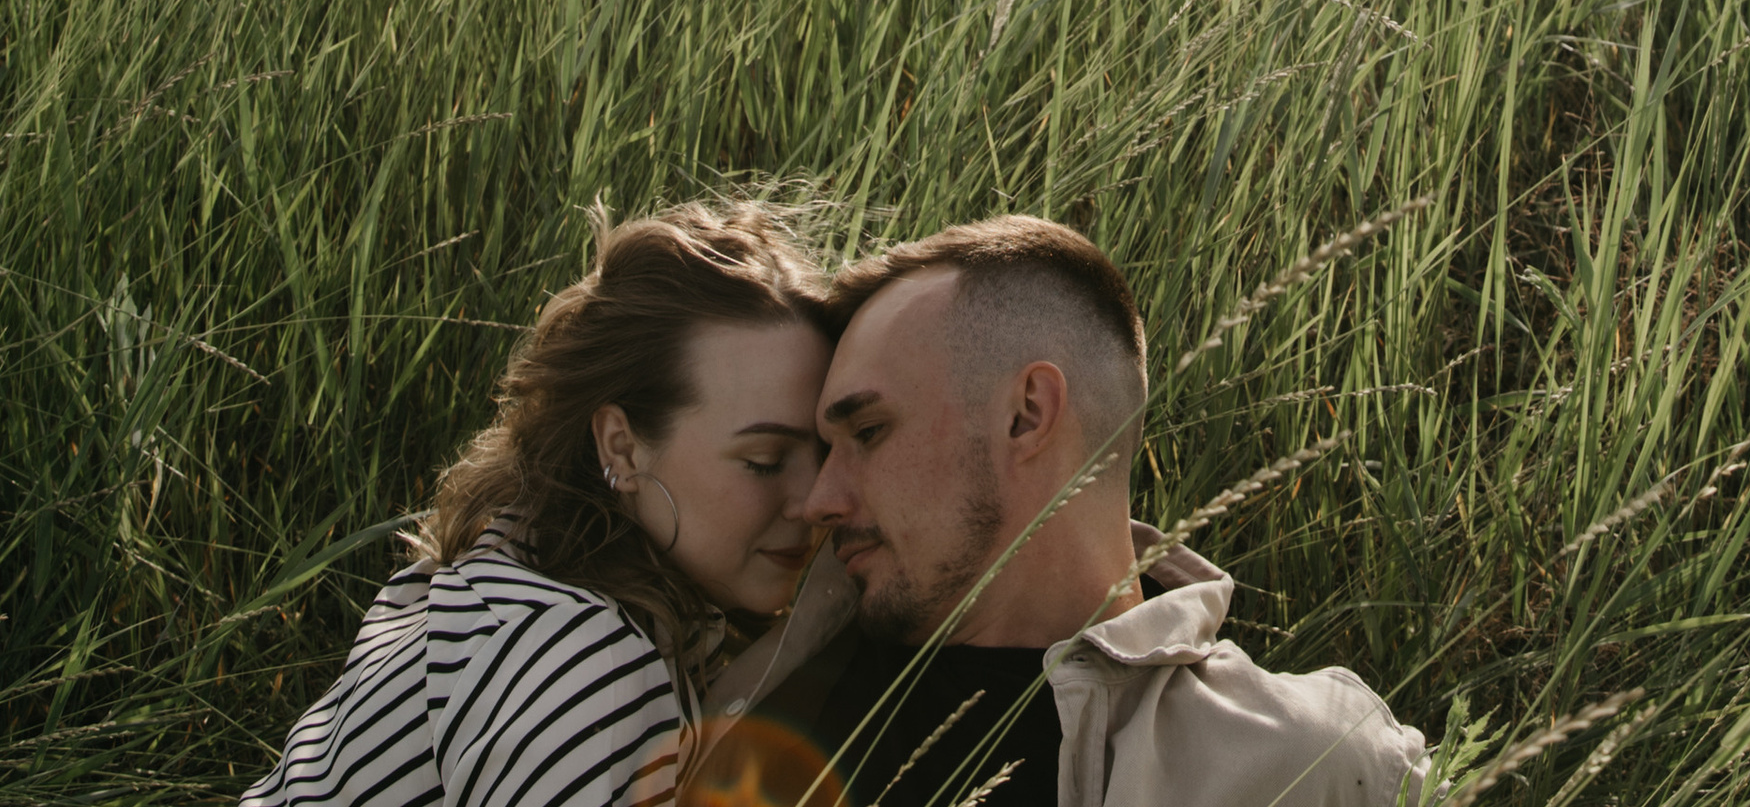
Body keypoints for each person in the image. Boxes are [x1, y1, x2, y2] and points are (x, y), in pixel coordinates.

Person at [790, 215, 1434, 807]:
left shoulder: (1305, 765)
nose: (819, 501)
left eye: (868, 432)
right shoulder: (763, 673)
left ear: (1027, 415)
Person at [242, 199, 857, 807]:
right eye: (765, 462)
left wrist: (805, 634)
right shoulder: (579, 654)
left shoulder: (515, 582)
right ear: (622, 446)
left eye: (827, 453)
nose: (814, 501)